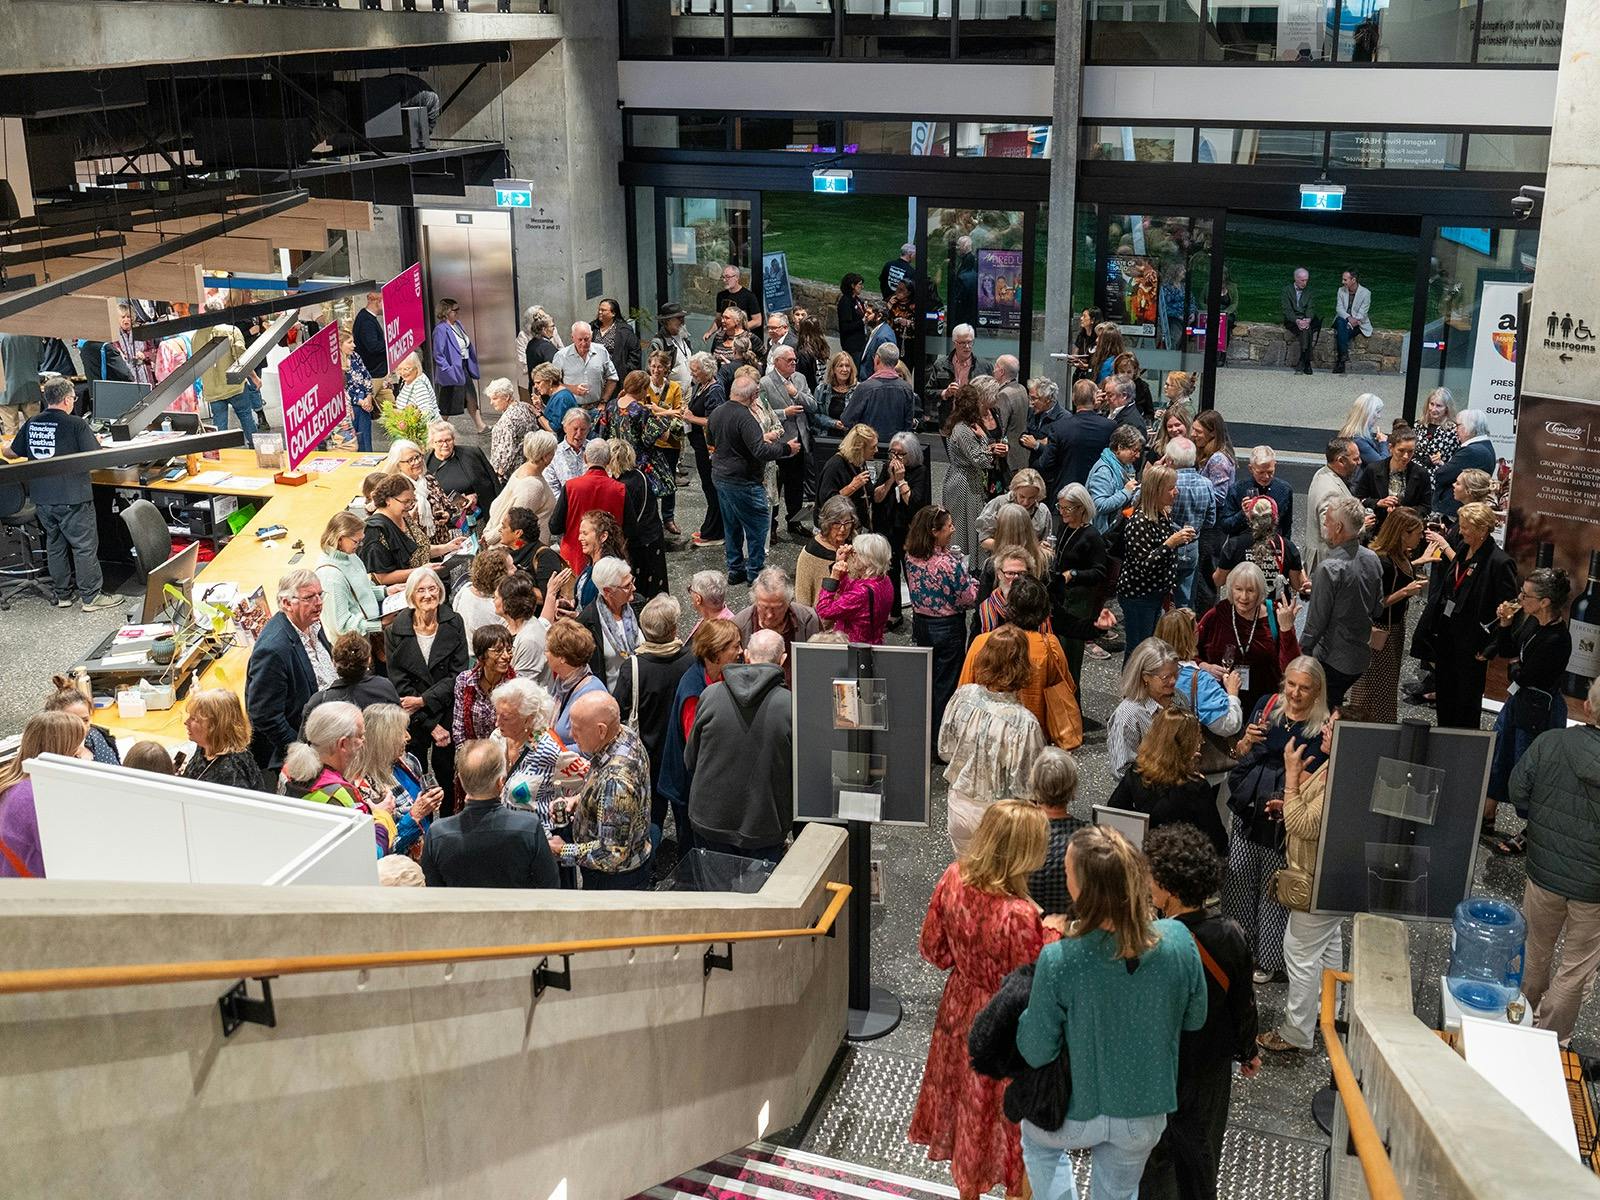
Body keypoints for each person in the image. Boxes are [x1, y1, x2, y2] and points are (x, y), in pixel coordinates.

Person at [1016, 825, 1208, 1200]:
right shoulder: (1180, 941)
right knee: (1118, 1192)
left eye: (1068, 870)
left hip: (1072, 1109)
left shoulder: (1059, 959)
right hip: (1143, 1111)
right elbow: (1195, 1018)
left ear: (1082, 889)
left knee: (1038, 1147)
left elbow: (1036, 1048)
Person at [910, 799, 1055, 1200]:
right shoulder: (1021, 913)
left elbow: (933, 950)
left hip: (958, 1012)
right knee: (1009, 1124)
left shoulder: (953, 877)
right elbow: (1033, 985)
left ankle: (967, 1192)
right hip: (1004, 1025)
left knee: (966, 1114)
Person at [1140, 824, 1261, 1200]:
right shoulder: (1230, 933)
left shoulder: (1153, 939)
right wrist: (1249, 1051)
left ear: (1170, 889)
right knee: (1202, 1149)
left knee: (1156, 1154)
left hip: (1161, 1066)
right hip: (1210, 1066)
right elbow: (1243, 1002)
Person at [1222, 657, 1331, 982]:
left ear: (1317, 692)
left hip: (1284, 813)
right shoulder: (1266, 705)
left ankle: (1268, 959)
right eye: (1291, 684)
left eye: (1304, 688)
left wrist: (1288, 797)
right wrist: (1246, 741)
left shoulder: (1322, 727)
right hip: (1249, 804)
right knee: (1238, 876)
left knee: (1274, 887)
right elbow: (1239, 753)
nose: (1295, 693)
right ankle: (1236, 946)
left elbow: (1313, 780)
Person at [1510, 676, 1600, 1044]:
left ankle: (1520, 1018)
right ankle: (1551, 1040)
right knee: (1575, 971)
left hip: (1543, 873)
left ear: (1587, 707)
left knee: (1535, 951)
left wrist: (1543, 817)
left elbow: (1518, 790)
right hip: (1593, 889)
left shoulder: (1551, 743)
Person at [1256, 717, 1342, 1055]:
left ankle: (1296, 1033)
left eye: (1332, 728)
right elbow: (1308, 812)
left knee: (1300, 954)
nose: (1324, 730)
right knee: (1330, 943)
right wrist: (1288, 806)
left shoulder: (1339, 776)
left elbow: (1306, 824)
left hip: (1317, 879)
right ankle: (1331, 1010)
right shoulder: (1337, 764)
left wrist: (1291, 780)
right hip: (1333, 879)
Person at [6, 377, 118, 611]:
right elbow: (95, 459)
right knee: (84, 546)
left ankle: (63, 595)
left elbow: (13, 452)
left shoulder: (32, 422)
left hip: (42, 498)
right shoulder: (76, 424)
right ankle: (91, 597)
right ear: (68, 399)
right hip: (72, 497)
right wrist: (96, 440)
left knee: (55, 545)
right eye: (74, 399)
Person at [1483, 567, 1573, 855]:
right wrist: (1507, 623)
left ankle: (1531, 830)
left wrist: (1515, 669)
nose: (1520, 597)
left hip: (1538, 712)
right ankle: (1487, 812)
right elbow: (1509, 651)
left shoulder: (1558, 638)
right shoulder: (1532, 622)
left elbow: (1524, 675)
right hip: (1518, 703)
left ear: (1545, 601)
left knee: (1529, 769)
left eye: (1526, 594)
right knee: (1499, 754)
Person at [683, 629, 793, 860]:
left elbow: (690, 758)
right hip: (765, 825)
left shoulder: (710, 695)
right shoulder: (791, 706)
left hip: (710, 818)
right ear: (783, 660)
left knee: (716, 895)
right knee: (759, 893)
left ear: (747, 655)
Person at [939, 627, 1046, 854]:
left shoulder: (963, 695)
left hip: (959, 806)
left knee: (965, 878)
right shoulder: (1024, 723)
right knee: (997, 885)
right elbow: (1028, 786)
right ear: (1022, 665)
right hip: (999, 816)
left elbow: (945, 749)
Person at [1414, 501, 1518, 733]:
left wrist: (1491, 648)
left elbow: (1510, 607)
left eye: (1466, 527)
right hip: (1447, 638)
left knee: (1465, 706)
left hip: (1472, 646)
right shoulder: (1463, 548)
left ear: (1482, 530)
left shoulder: (1500, 562)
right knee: (1446, 701)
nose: (1460, 532)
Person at [420, 738, 559, 888]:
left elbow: (433, 891)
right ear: (501, 783)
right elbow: (550, 885)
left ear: (460, 780)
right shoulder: (529, 827)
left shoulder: (437, 834)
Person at [551, 691, 653, 889]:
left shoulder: (616, 782)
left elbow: (611, 854)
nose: (572, 734)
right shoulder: (624, 733)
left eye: (577, 729)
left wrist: (563, 850)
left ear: (601, 730)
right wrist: (581, 798)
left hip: (613, 880)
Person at [385, 566, 468, 809]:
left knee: (447, 779)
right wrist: (430, 724)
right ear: (411, 596)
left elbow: (458, 675)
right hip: (417, 722)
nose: (428, 595)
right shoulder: (394, 632)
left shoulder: (454, 622)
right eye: (421, 590)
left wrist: (423, 701)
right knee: (417, 779)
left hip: (447, 711)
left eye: (432, 588)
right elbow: (400, 684)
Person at [710, 375, 798, 586]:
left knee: (731, 526)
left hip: (720, 477)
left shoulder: (716, 413)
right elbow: (759, 451)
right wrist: (787, 449)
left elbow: (713, 443)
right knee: (757, 526)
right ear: (754, 395)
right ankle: (755, 573)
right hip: (744, 481)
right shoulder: (746, 418)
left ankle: (735, 569)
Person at [1341, 510, 1425, 725]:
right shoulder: (1383, 563)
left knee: (1386, 685)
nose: (1421, 537)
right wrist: (1405, 592)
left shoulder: (1400, 556)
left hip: (1393, 629)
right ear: (1403, 533)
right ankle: (1369, 727)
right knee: (1373, 686)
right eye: (1417, 533)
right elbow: (1373, 604)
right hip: (1380, 632)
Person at [280, 702, 394, 855]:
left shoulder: (290, 768)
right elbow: (371, 855)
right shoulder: (340, 793)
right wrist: (382, 816)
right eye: (360, 736)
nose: (364, 741)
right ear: (343, 744)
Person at [1300, 495, 1382, 709]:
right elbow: (1377, 607)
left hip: (1331, 658)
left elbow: (1316, 622)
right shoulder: (1372, 559)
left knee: (1321, 714)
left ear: (1338, 528)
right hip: (1359, 658)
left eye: (1326, 520)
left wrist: (1300, 653)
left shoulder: (1329, 568)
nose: (1324, 525)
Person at [906, 503, 980, 736]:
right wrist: (975, 583)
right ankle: (940, 741)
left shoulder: (910, 556)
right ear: (934, 532)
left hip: (920, 624)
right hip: (948, 628)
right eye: (949, 526)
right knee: (945, 685)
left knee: (926, 682)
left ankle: (922, 736)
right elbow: (969, 598)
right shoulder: (949, 564)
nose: (954, 529)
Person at [247, 570, 333, 769]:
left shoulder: (312, 622)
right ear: (286, 603)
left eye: (320, 594)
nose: (319, 602)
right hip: (306, 752)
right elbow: (264, 716)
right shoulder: (273, 650)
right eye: (309, 597)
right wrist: (303, 752)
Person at [1109, 708, 1227, 855]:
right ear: (1185, 744)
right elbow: (1217, 841)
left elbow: (1114, 809)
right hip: (1177, 864)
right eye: (1198, 737)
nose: (1201, 742)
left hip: (1143, 856)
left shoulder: (1137, 771)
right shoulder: (1195, 787)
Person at [1197, 562, 1302, 719]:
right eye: (1238, 589)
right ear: (1231, 589)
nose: (1244, 597)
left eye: (1250, 590)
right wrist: (1204, 666)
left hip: (1263, 706)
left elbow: (1292, 668)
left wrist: (1286, 629)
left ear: (1260, 591)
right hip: (1219, 704)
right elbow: (1188, 652)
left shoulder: (1276, 615)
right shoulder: (1218, 614)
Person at [0, 711, 93, 877]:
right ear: (63, 751)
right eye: (75, 751)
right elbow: (66, 854)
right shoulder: (36, 797)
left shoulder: (12, 780)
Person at [1118, 464, 1194, 657]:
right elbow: (1143, 565)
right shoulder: (1139, 522)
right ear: (1157, 490)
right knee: (1138, 650)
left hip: (1156, 593)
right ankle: (1130, 686)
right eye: (1171, 487)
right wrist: (1170, 543)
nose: (1176, 492)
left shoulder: (1162, 513)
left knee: (1150, 649)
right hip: (1139, 596)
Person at [351, 702, 441, 858]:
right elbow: (380, 850)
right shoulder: (362, 788)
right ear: (384, 738)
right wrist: (415, 816)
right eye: (402, 732)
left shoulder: (408, 761)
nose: (408, 737)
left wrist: (428, 804)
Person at [1155, 607, 1243, 747]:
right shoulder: (1201, 681)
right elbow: (1228, 725)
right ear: (1191, 637)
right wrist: (1232, 693)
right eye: (1197, 630)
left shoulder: (1149, 669)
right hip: (1187, 754)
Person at [1051, 484, 1111, 684]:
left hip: (1079, 600)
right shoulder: (1064, 526)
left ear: (1081, 508)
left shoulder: (1092, 536)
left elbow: (1100, 571)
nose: (1062, 513)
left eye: (1067, 509)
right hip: (1061, 596)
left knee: (1071, 656)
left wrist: (1074, 574)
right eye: (1060, 508)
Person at [758, 344, 816, 537]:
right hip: (778, 444)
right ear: (777, 362)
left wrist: (796, 394)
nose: (793, 363)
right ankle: (771, 526)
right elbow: (761, 413)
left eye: (794, 360)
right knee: (775, 486)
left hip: (799, 441)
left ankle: (794, 522)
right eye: (789, 360)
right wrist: (784, 412)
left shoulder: (799, 379)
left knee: (796, 486)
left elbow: (813, 405)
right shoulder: (765, 382)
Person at [315, 510, 397, 639]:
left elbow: (360, 591)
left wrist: (386, 592)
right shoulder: (330, 576)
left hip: (368, 635)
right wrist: (378, 624)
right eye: (356, 541)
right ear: (340, 538)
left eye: (361, 541)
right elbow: (341, 626)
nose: (359, 546)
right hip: (354, 647)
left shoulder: (350, 556)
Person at [1109, 638, 1181, 781]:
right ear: (1145, 677)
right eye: (1166, 677)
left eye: (1176, 673)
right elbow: (1121, 770)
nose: (1173, 681)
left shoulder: (1179, 698)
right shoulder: (1128, 715)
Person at [606, 438, 669, 600]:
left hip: (637, 544)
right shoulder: (640, 475)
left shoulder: (621, 486)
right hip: (653, 536)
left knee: (638, 588)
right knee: (656, 585)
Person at [1212, 496, 1307, 603]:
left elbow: (1218, 580)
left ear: (1249, 517)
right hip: (1276, 614)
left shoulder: (1234, 545)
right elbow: (1297, 585)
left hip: (1243, 610)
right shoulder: (1287, 547)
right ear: (1275, 519)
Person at [549, 439, 625, 573]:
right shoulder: (620, 489)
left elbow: (555, 526)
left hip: (574, 558)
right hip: (608, 559)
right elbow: (630, 529)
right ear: (608, 461)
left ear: (585, 458)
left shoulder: (571, 486)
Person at [301, 632, 401, 731]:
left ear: (334, 662)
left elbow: (304, 743)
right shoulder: (385, 688)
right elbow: (399, 727)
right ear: (369, 660)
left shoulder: (319, 701)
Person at [1026, 749, 1081, 917]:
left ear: (1034, 785)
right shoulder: (1087, 838)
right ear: (1072, 787)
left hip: (1026, 928)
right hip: (1072, 930)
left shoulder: (1018, 834)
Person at [814, 532, 896, 645]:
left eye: (855, 553)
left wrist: (833, 578)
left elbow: (823, 611)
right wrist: (840, 563)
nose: (852, 556)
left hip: (853, 649)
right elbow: (850, 597)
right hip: (875, 641)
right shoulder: (884, 579)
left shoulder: (861, 593)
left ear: (866, 559)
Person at [942, 385, 991, 563]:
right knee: (964, 529)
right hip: (964, 483)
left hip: (960, 478)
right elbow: (982, 461)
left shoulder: (960, 425)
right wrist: (985, 439)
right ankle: (963, 569)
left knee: (966, 526)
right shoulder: (963, 430)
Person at [574, 557, 639, 692]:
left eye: (632, 581)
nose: (633, 588)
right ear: (608, 591)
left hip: (642, 693)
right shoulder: (587, 623)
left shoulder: (638, 604)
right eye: (627, 586)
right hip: (611, 698)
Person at [485, 429, 558, 550]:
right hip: (520, 551)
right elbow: (514, 521)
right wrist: (490, 538)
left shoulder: (523, 470)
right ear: (545, 456)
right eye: (552, 452)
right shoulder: (533, 486)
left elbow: (498, 504)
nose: (554, 455)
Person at [1353, 422, 1430, 533]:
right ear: (1390, 448)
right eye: (1401, 450)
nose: (1406, 456)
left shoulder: (1421, 473)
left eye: (1410, 452)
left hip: (1406, 531)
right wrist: (1378, 503)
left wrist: (1403, 513)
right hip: (1377, 529)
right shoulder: (1373, 470)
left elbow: (1426, 507)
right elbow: (1358, 499)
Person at [180, 689, 263, 792]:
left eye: (194, 719)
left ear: (214, 727)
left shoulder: (231, 772)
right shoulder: (206, 746)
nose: (186, 722)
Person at [684, 352, 727, 549]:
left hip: (708, 447)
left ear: (707, 370)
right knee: (708, 488)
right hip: (699, 446)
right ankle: (711, 527)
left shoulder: (715, 390)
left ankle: (715, 531)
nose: (692, 373)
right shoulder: (701, 386)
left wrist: (691, 418)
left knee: (712, 488)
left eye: (696, 370)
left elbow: (714, 420)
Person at [1166, 439, 1215, 612]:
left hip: (1168, 546)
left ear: (1170, 460)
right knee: (1186, 601)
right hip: (1193, 546)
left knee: (1162, 596)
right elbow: (1211, 520)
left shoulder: (1169, 484)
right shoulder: (1207, 484)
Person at [1304, 436, 1364, 574]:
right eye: (1355, 459)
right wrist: (1362, 525)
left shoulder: (1323, 472)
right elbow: (1329, 533)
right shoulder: (1331, 491)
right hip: (1330, 564)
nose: (1359, 462)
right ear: (1341, 460)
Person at [644, 349, 688, 535]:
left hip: (670, 442)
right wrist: (666, 411)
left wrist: (657, 410)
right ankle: (652, 517)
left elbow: (680, 412)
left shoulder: (674, 388)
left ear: (666, 368)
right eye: (653, 366)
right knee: (650, 481)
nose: (656, 370)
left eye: (659, 366)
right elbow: (643, 410)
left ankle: (668, 518)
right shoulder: (644, 386)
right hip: (650, 442)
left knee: (669, 480)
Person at [545, 618, 608, 743]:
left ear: (562, 658)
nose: (545, 654)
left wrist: (550, 752)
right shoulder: (561, 681)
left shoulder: (592, 693)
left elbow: (592, 748)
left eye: (548, 650)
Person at [426, 420, 498, 526]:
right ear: (432, 443)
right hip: (449, 524)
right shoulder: (425, 463)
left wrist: (475, 496)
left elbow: (491, 483)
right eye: (440, 441)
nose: (445, 445)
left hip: (477, 518)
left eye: (448, 440)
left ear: (454, 439)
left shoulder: (472, 454)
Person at [843, 343, 918, 445]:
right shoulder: (907, 389)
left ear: (877, 359)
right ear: (896, 363)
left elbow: (847, 419)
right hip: (895, 449)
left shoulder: (865, 387)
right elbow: (908, 426)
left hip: (867, 448)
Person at [1431, 408, 1497, 521]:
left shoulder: (1471, 451)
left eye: (1458, 426)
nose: (1455, 430)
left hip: (1454, 511)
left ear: (1467, 428)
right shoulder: (1485, 446)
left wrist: (1442, 467)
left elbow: (1442, 475)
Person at [816, 423, 880, 534]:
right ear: (860, 448)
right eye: (873, 447)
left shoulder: (860, 462)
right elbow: (826, 503)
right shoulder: (835, 466)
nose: (877, 450)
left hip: (855, 525)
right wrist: (852, 487)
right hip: (836, 529)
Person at [795, 496, 857, 610]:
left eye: (847, 523)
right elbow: (802, 601)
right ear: (827, 523)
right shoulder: (810, 553)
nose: (842, 529)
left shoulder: (856, 545)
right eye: (836, 523)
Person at [926, 324, 991, 429]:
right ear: (954, 343)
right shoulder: (940, 364)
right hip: (948, 421)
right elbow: (928, 392)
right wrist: (945, 393)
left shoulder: (984, 366)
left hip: (975, 422)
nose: (967, 346)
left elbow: (991, 396)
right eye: (962, 343)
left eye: (970, 342)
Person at [1221, 446, 1293, 538]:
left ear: (1275, 465)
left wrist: (1285, 548)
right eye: (1261, 472)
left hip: (1273, 545)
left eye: (1270, 472)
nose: (1266, 477)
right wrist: (1243, 514)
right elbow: (1225, 526)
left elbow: (1286, 525)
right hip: (1242, 546)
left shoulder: (1285, 490)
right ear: (1251, 469)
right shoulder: (1237, 489)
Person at [1087, 424, 1145, 535]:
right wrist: (1126, 492)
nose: (1137, 456)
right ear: (1119, 447)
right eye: (1134, 450)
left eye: (1139, 451)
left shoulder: (1125, 465)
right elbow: (1099, 505)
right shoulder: (1104, 471)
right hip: (1103, 533)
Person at [41, 685, 120, 765]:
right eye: (72, 722)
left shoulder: (93, 736)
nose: (81, 727)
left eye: (85, 720)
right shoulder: (49, 756)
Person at [552, 320, 620, 411]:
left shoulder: (601, 351)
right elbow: (553, 384)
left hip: (597, 408)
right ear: (572, 337)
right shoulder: (561, 356)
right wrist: (573, 389)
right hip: (570, 409)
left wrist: (603, 402)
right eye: (580, 340)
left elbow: (612, 378)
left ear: (591, 336)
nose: (583, 343)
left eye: (586, 339)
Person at [1331, 268, 1372, 374]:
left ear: (1353, 280)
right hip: (1343, 320)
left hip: (1358, 323)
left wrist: (1354, 320)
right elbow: (1339, 309)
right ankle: (1343, 356)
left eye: (1345, 280)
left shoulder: (1366, 293)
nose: (1342, 282)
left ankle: (1341, 361)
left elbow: (1363, 312)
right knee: (1341, 322)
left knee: (1342, 332)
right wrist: (1349, 318)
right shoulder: (1341, 290)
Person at [1280, 266, 1320, 375]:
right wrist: (1297, 321)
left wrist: (1307, 320)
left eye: (1306, 280)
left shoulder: (1310, 291)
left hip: (1305, 318)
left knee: (1306, 330)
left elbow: (1311, 308)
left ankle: (1303, 361)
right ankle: (1307, 362)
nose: (1305, 283)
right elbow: (1287, 310)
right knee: (1307, 331)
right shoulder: (1286, 291)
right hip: (1292, 320)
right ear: (1296, 279)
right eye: (1302, 280)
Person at [1415, 386, 1459, 486]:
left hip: (1437, 480)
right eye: (1431, 404)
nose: (1433, 409)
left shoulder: (1453, 430)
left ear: (1447, 409)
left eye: (1439, 406)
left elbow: (1455, 462)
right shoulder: (1419, 424)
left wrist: (1441, 463)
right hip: (1415, 475)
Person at [650, 301, 694, 394]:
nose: (682, 321)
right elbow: (654, 371)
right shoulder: (659, 342)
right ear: (667, 321)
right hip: (670, 393)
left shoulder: (684, 336)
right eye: (679, 318)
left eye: (683, 317)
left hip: (688, 389)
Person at [709, 265, 761, 338]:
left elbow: (757, 321)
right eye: (723, 277)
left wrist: (738, 329)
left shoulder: (749, 296)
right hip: (725, 337)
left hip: (742, 338)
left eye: (727, 277)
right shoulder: (721, 296)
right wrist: (709, 332)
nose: (724, 280)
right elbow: (718, 320)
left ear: (736, 277)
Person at [593, 298, 640, 378]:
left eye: (603, 310)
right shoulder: (593, 328)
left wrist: (626, 370)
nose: (600, 312)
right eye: (599, 310)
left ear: (613, 313)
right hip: (596, 375)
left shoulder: (625, 331)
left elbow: (635, 353)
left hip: (617, 377)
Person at [1337, 393, 1388, 465]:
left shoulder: (1350, 432)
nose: (1379, 416)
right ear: (1369, 414)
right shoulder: (1359, 440)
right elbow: (1381, 465)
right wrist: (1383, 443)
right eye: (1377, 412)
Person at [815, 350, 856, 437]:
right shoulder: (821, 389)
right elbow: (815, 415)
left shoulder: (859, 389)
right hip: (826, 436)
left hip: (851, 438)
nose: (844, 369)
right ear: (833, 369)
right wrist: (833, 423)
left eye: (847, 366)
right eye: (840, 366)